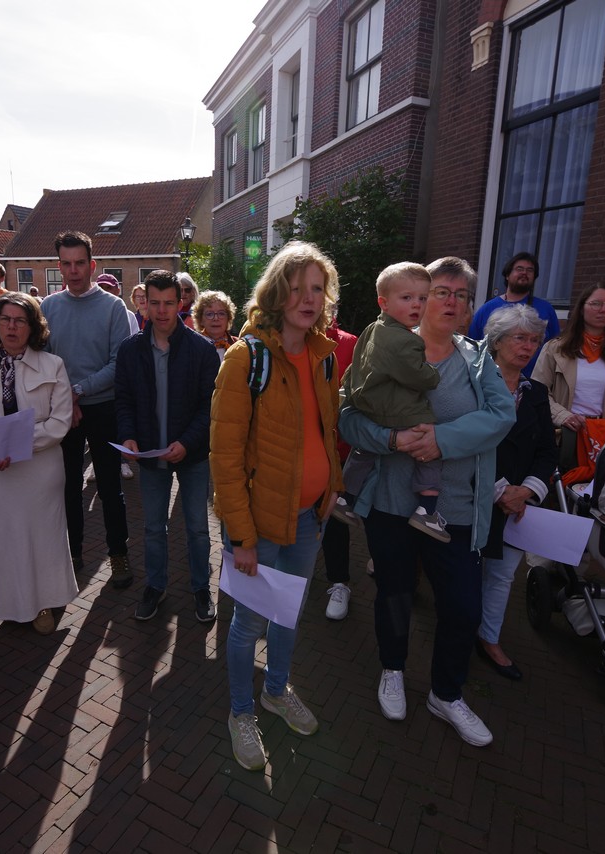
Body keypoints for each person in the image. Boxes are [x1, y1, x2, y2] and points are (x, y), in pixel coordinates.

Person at [339, 269, 515, 745]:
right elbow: (347, 413)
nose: (452, 301)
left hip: (455, 509)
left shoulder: (477, 358)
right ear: (418, 297)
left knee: (462, 607)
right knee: (394, 593)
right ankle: (393, 670)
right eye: (441, 292)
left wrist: (442, 440)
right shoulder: (384, 343)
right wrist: (390, 439)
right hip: (391, 503)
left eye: (462, 294)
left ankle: (446, 694)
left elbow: (502, 416)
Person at [211, 241, 344, 772]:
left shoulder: (322, 356)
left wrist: (331, 487)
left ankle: (276, 690)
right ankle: (240, 711)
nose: (308, 299)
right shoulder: (245, 359)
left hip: (309, 516)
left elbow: (327, 431)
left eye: (317, 289)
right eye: (297, 288)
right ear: (276, 293)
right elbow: (224, 458)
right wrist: (241, 538)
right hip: (259, 524)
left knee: (288, 614)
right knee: (248, 623)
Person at [0, 292, 77, 634]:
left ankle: (44, 603)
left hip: (41, 468)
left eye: (20, 321)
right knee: (4, 538)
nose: (12, 327)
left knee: (43, 536)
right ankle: (11, 603)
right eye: (5, 319)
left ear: (33, 327)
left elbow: (60, 421)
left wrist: (17, 445)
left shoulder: (53, 366)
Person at [115, 271, 219, 623]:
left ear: (180, 303)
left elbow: (209, 406)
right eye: (154, 303)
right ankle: (155, 586)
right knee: (152, 527)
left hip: (192, 455)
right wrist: (128, 435)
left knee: (198, 527)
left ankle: (201, 587)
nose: (161, 311)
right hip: (149, 454)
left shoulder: (201, 349)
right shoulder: (130, 350)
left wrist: (187, 442)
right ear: (144, 303)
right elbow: (124, 400)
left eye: (169, 303)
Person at [40, 231, 132, 586]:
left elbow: (118, 363)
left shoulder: (113, 308)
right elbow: (43, 361)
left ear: (92, 265)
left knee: (110, 487)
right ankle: (72, 554)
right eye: (66, 264)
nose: (73, 270)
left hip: (102, 408)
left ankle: (118, 554)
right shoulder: (48, 307)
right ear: (59, 266)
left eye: (80, 263)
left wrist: (77, 391)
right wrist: (66, 398)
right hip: (63, 412)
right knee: (66, 487)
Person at [337, 262, 447, 541]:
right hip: (398, 413)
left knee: (364, 451)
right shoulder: (406, 341)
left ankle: (345, 497)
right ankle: (427, 509)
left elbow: (356, 364)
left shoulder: (373, 328)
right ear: (383, 302)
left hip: (368, 406)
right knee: (429, 451)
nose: (417, 305)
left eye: (422, 298)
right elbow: (419, 376)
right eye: (407, 297)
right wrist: (433, 373)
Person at [479, 304, 556, 681]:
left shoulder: (537, 393)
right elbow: (468, 444)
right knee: (465, 572)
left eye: (534, 340)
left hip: (517, 506)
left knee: (503, 575)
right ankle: (457, 632)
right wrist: (499, 490)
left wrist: (526, 491)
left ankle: (489, 639)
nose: (528, 347)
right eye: (520, 338)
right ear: (496, 341)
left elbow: (547, 451)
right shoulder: (474, 384)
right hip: (476, 497)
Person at [531, 281, 605, 448]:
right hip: (563, 435)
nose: (604, 309)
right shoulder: (555, 348)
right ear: (582, 308)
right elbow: (538, 390)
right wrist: (562, 416)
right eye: (596, 303)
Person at [320, 310, 358, 620]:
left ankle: (339, 582)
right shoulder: (289, 339)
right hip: (299, 449)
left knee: (335, 518)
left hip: (338, 448)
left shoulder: (350, 343)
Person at [468, 252, 560, 374]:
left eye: (530, 270)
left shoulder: (546, 309)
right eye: (519, 269)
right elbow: (473, 348)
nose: (524, 273)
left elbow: (556, 349)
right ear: (507, 275)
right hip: (493, 379)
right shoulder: (487, 309)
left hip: (535, 380)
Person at [191, 290, 238, 361]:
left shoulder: (238, 345)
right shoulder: (191, 346)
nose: (216, 318)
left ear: (228, 318)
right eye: (209, 314)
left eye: (221, 313)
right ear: (200, 320)